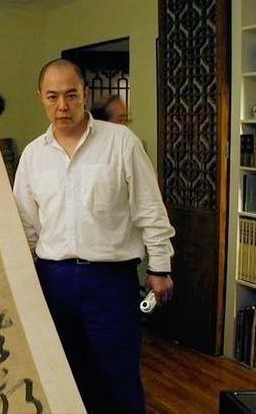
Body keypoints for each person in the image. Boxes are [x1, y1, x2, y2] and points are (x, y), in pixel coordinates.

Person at [13, 58, 175, 414]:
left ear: (85, 94)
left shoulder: (121, 142)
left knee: (119, 378)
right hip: (53, 280)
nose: (62, 106)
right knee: (65, 377)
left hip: (110, 281)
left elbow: (149, 207)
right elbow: (25, 224)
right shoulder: (32, 156)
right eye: (52, 96)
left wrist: (160, 267)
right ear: (40, 97)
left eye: (71, 95)